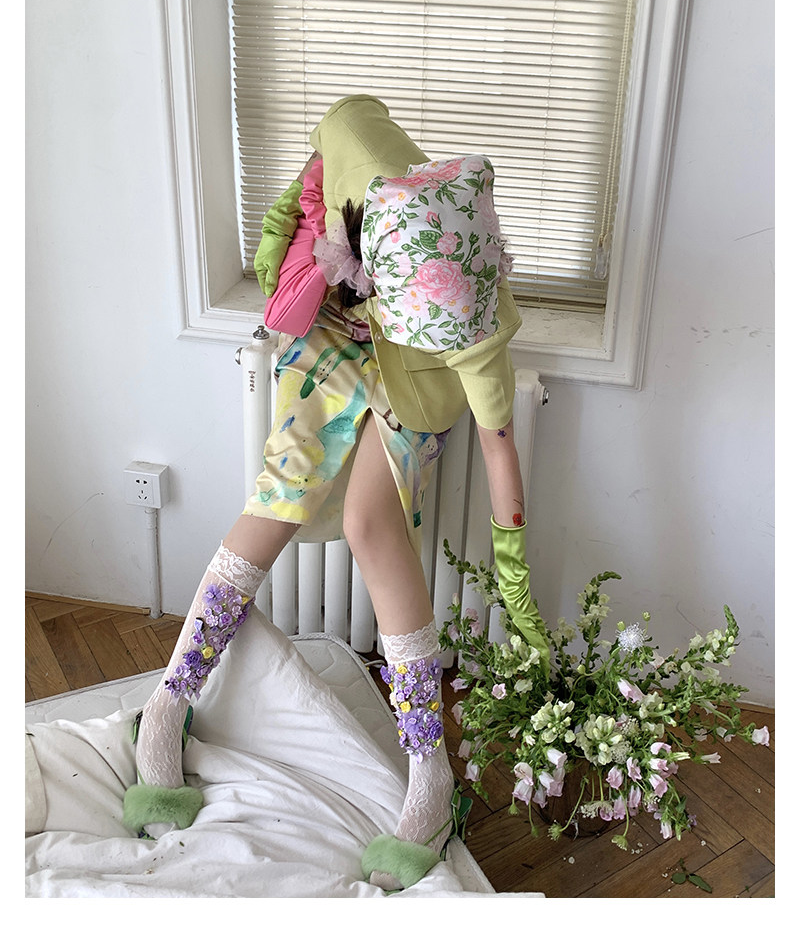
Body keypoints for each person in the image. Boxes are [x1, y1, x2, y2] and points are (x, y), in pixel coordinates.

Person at [123, 96, 549, 892]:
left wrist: (519, 595)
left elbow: (501, 454)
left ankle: (431, 771)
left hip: (416, 384)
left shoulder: (477, 329)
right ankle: (169, 700)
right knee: (279, 496)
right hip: (332, 337)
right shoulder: (362, 156)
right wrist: (304, 240)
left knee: (369, 522)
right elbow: (333, 135)